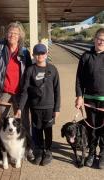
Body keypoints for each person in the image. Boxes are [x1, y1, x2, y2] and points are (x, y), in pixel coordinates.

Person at [0, 21, 33, 165]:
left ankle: (27, 150)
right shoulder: (0, 49)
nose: (12, 35)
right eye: (10, 32)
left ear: (20, 36)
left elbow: (29, 73)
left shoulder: (24, 52)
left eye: (15, 33)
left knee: (24, 122)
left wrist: (28, 93)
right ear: (6, 34)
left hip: (20, 93)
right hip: (4, 91)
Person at [15, 43, 60, 166]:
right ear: (33, 55)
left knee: (48, 129)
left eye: (42, 53)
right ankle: (39, 151)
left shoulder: (52, 69)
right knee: (37, 130)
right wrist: (20, 108)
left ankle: (48, 151)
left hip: (49, 106)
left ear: (46, 54)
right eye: (37, 53)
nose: (40, 55)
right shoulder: (30, 70)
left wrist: (57, 108)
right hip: (35, 107)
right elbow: (25, 91)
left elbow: (57, 90)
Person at [75, 28, 104, 169]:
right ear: (94, 39)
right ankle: (91, 153)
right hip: (89, 99)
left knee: (103, 129)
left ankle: (103, 154)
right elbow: (79, 78)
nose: (101, 41)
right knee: (91, 129)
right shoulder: (86, 56)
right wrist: (79, 96)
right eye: (99, 38)